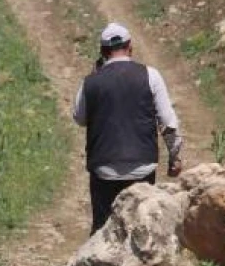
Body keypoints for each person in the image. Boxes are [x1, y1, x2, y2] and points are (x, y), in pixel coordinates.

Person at [73, 22, 184, 234]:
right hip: (142, 167)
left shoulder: (90, 82)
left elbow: (79, 118)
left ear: (103, 52)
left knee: (103, 230)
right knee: (142, 228)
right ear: (130, 47)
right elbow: (169, 123)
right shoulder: (151, 75)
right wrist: (174, 157)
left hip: (104, 169)